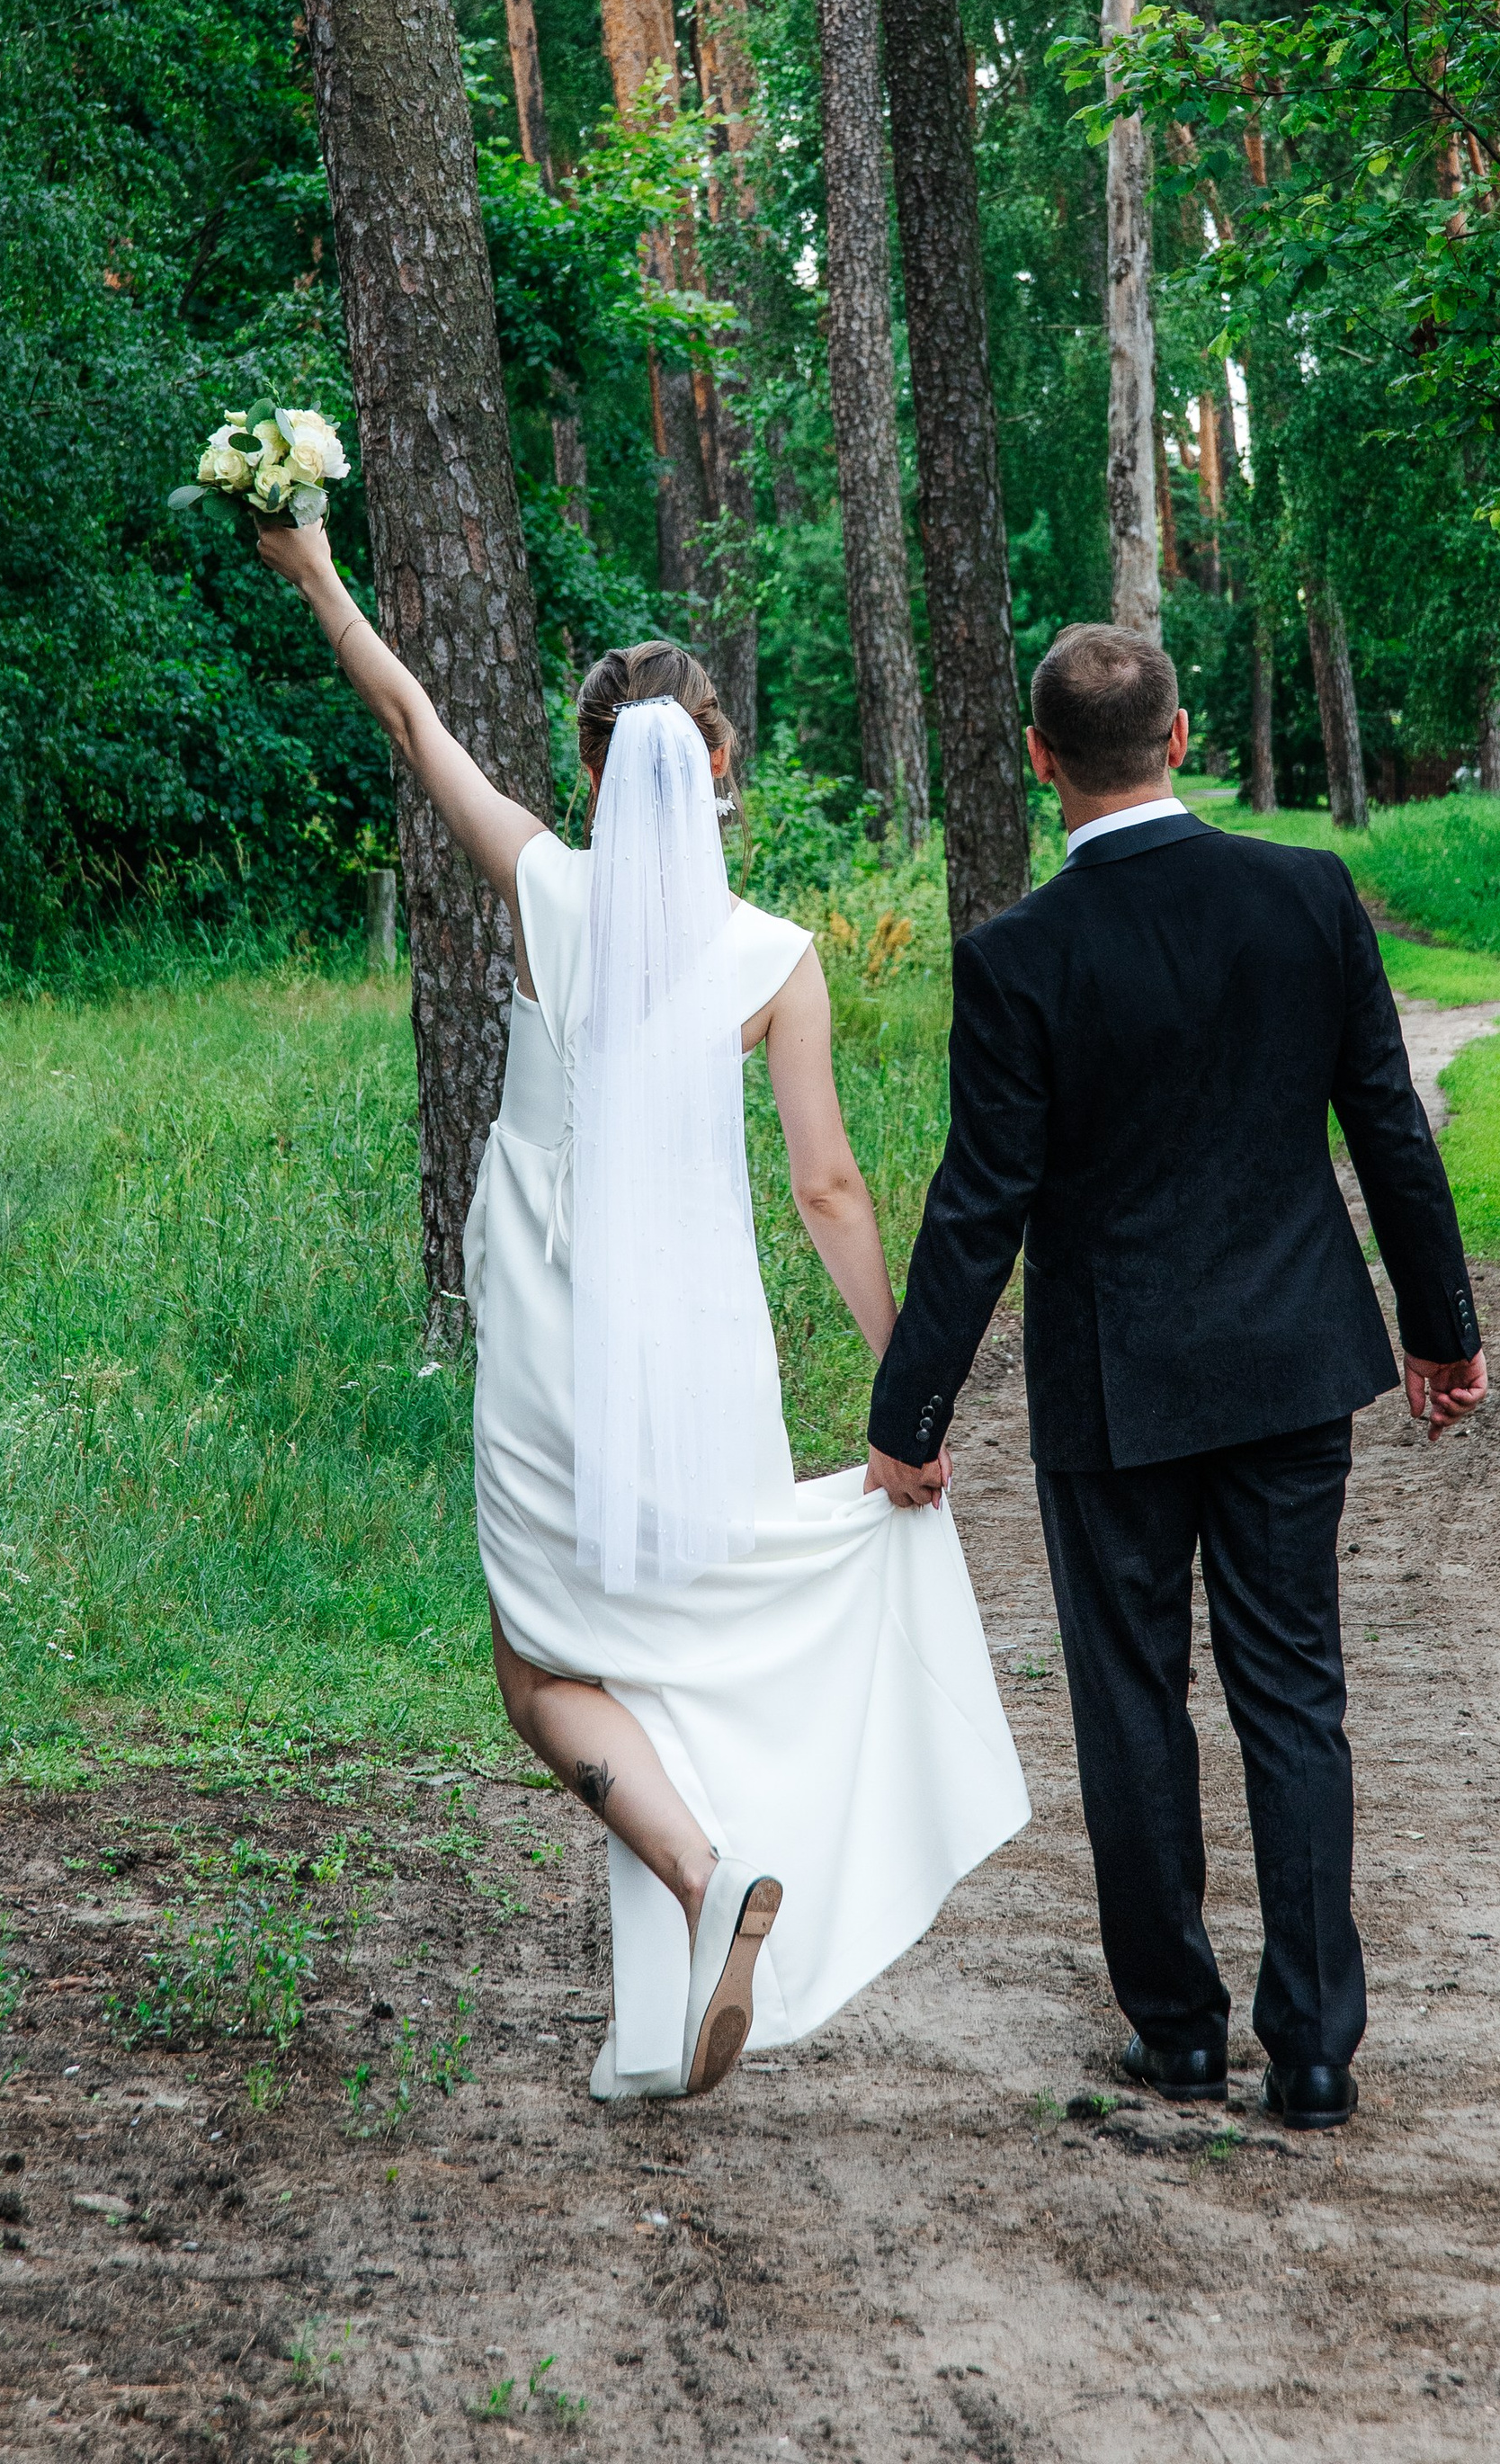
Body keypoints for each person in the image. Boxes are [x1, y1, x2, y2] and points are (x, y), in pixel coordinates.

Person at [256, 522, 1028, 2102]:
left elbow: (412, 720)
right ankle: (661, 2017)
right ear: (724, 761)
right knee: (659, 1654)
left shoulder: (552, 888)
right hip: (702, 1346)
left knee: (543, 1668)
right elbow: (830, 1192)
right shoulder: (779, 956)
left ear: (596, 767)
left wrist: (320, 569)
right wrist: (911, 1396)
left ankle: (704, 1871)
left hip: (551, 1335)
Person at [865, 622, 1487, 2131]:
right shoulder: (1303, 894)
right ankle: (1321, 2050)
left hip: (1114, 1387)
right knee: (1295, 1694)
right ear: (1184, 736)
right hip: (1287, 1367)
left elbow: (977, 1200)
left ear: (1038, 760)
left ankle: (1181, 2035)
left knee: (1132, 1702)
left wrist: (910, 1417)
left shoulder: (1018, 956)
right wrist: (1442, 1327)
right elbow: (1386, 1125)